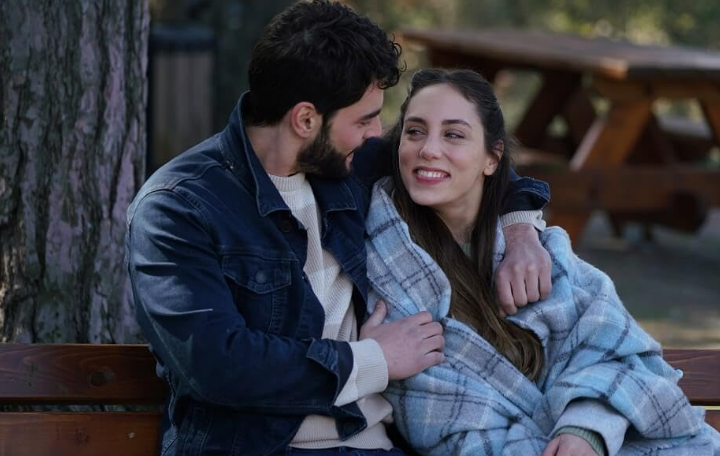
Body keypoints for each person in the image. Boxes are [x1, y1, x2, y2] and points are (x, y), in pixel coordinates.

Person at [125, 2, 552, 455]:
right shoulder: (178, 208)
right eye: (364, 119)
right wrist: (373, 360)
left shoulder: (348, 164)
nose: (376, 134)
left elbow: (472, 167)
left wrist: (521, 233)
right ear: (306, 119)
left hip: (380, 445)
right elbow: (217, 366)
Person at [364, 68, 720, 456]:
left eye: (453, 134)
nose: (429, 149)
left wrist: (586, 430)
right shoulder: (386, 268)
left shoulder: (539, 249)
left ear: (492, 158)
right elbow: (436, 413)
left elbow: (616, 351)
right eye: (415, 131)